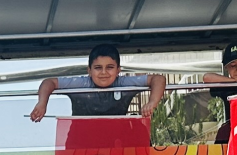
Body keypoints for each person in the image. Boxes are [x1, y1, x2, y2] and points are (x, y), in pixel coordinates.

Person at [27, 43, 169, 121]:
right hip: (80, 142)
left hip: (116, 141)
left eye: (110, 67)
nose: (103, 73)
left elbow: (159, 79)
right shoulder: (81, 83)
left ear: (118, 70)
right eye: (98, 68)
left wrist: (152, 102)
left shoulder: (124, 83)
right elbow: (49, 82)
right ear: (89, 71)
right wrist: (42, 103)